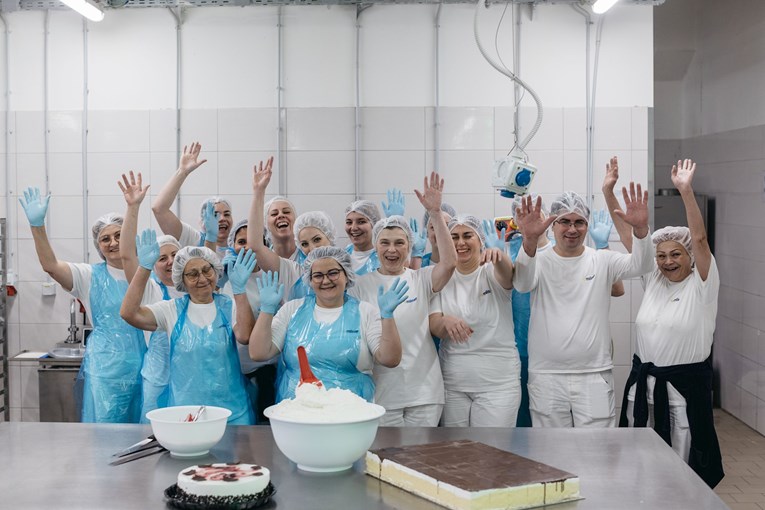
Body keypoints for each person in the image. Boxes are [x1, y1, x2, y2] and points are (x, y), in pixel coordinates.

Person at [616, 159, 723, 488]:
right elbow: (633, 245)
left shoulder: (702, 285)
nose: (667, 262)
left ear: (690, 257)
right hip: (644, 392)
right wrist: (609, 196)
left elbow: (701, 239)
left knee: (681, 472)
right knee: (641, 469)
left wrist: (685, 192)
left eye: (675, 255)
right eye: (661, 256)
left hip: (682, 396)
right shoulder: (655, 281)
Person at [513, 186, 654, 428]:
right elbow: (522, 284)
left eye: (579, 222)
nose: (571, 229)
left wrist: (640, 230)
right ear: (552, 225)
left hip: (593, 374)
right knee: (550, 453)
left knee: (596, 454)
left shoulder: (602, 260)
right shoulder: (540, 260)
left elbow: (642, 265)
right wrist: (529, 240)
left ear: (587, 225)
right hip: (547, 376)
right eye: (564, 221)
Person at [19, 187, 145, 423]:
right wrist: (38, 226)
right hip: (105, 371)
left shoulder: (145, 274)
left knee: (143, 437)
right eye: (105, 239)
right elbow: (51, 266)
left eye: (119, 235)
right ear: (99, 247)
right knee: (106, 435)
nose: (113, 242)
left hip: (145, 367)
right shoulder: (89, 276)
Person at [349, 172, 456, 426]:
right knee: (386, 462)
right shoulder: (360, 286)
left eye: (399, 243)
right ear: (375, 247)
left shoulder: (421, 278)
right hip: (381, 393)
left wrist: (435, 214)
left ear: (410, 247)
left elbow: (450, 262)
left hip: (425, 392)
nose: (392, 249)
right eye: (384, 243)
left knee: (421, 460)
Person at [120, 233, 256, 425]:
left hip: (232, 414)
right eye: (192, 274)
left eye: (206, 270)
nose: (202, 278)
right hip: (185, 415)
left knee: (237, 456)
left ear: (215, 271)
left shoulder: (230, 305)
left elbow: (244, 335)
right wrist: (143, 268)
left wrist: (240, 290)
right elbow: (129, 313)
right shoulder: (171, 310)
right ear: (181, 280)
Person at [249, 246, 408, 402]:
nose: (325, 280)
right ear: (309, 280)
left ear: (347, 275)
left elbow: (390, 359)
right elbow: (259, 353)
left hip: (350, 412)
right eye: (317, 275)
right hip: (298, 411)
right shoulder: (292, 309)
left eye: (333, 273)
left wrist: (387, 316)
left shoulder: (365, 312)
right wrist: (267, 309)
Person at [429, 215, 520, 427]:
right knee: (457, 453)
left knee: (492, 454)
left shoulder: (490, 272)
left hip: (498, 384)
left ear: (480, 240)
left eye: (467, 236)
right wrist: (446, 322)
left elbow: (508, 277)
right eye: (454, 237)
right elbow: (434, 325)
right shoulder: (440, 277)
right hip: (453, 383)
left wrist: (500, 256)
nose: (460, 243)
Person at [117, 171, 185, 421]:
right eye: (162, 258)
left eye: (175, 256)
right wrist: (133, 207)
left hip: (188, 380)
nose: (169, 262)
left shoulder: (195, 290)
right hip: (157, 380)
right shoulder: (150, 290)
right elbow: (126, 256)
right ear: (152, 263)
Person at [247, 157, 336, 300]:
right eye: (274, 213)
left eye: (317, 239)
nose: (312, 248)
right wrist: (258, 192)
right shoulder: (294, 270)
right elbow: (255, 246)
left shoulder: (345, 268)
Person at [151, 142, 232, 256]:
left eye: (227, 214)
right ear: (203, 221)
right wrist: (182, 172)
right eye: (215, 215)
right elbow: (159, 209)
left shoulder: (239, 244)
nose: (222, 218)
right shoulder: (194, 240)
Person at [344, 200, 382, 275]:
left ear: (374, 224)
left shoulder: (383, 257)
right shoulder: (342, 255)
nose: (353, 228)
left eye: (361, 222)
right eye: (349, 222)